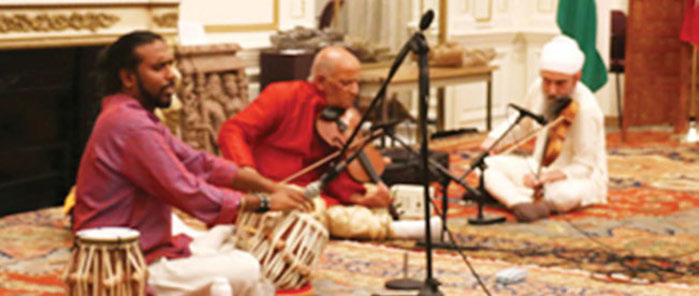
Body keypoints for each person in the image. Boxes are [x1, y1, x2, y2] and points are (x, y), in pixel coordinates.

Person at [72, 30, 311, 296]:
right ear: (128, 77)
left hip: (148, 245)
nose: (172, 74)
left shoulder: (133, 114)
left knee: (226, 233)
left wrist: (270, 187)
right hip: (126, 265)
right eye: (159, 68)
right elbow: (185, 189)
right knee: (247, 267)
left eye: (171, 64)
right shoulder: (130, 124)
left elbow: (200, 163)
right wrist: (263, 203)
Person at [218, 46, 440, 240]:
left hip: (316, 190)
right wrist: (249, 174)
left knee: (374, 200)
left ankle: (395, 224)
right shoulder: (283, 95)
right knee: (320, 212)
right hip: (275, 188)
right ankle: (400, 230)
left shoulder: (342, 118)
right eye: (346, 83)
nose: (354, 90)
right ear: (321, 81)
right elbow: (232, 130)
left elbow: (334, 172)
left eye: (357, 83)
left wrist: (359, 197)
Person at [480, 35, 608, 222]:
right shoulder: (538, 89)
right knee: (485, 166)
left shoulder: (586, 109)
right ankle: (520, 202)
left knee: (564, 194)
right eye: (547, 81)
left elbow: (584, 166)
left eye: (560, 83)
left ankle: (511, 195)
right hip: (537, 167)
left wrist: (548, 177)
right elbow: (521, 126)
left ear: (576, 78)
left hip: (573, 178)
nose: (552, 90)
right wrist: (494, 139)